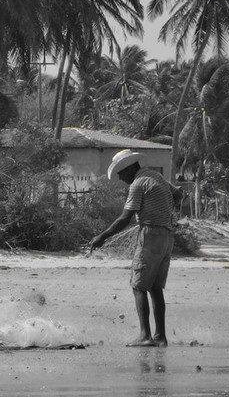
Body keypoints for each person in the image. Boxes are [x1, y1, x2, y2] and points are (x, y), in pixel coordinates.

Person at [90, 149, 182, 347]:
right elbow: (178, 195)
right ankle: (160, 337)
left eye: (121, 173)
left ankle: (145, 336)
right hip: (167, 236)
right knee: (155, 288)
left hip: (150, 236)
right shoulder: (157, 177)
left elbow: (124, 218)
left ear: (129, 168)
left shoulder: (138, 183)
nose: (121, 178)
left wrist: (101, 237)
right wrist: (164, 213)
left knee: (138, 286)